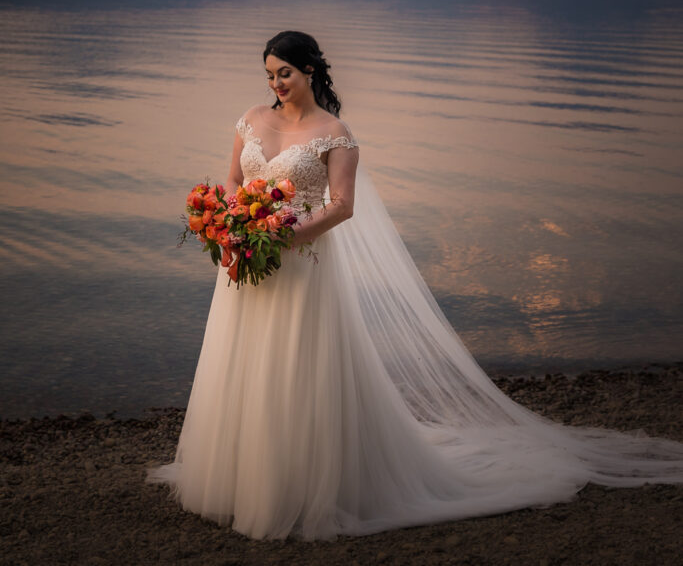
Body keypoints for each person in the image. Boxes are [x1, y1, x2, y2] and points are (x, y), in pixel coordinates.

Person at [147, 30, 683, 541]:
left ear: (308, 69)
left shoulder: (336, 135)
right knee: (243, 359)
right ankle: (241, 476)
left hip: (301, 260)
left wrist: (285, 234)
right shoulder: (250, 119)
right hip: (246, 260)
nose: (275, 85)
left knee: (293, 364)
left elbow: (342, 207)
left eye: (283, 73)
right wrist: (231, 222)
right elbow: (236, 183)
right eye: (268, 75)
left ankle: (295, 485)